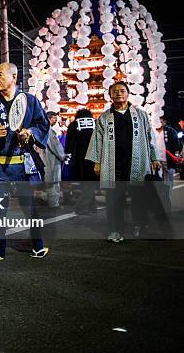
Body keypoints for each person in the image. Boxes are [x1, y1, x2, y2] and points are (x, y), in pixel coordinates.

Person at [0, 62, 50, 262]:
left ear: (14, 77)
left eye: (0, 75)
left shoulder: (30, 101)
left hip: (22, 163)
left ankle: (38, 244)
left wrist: (30, 133)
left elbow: (42, 124)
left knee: (29, 206)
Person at [86, 81, 162, 242]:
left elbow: (150, 138)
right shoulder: (105, 117)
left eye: (122, 91)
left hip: (137, 162)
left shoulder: (141, 115)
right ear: (110, 96)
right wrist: (97, 162)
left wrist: (155, 157)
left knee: (139, 198)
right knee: (114, 199)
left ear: (128, 94)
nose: (119, 94)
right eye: (115, 92)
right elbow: (97, 140)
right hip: (113, 165)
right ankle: (115, 229)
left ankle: (140, 225)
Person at [64, 108, 98, 214]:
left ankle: (91, 205)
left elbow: (68, 142)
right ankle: (82, 207)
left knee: (86, 183)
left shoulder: (73, 125)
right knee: (90, 183)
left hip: (78, 158)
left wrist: (68, 153)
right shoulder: (95, 123)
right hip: (94, 157)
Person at [42, 111, 68, 208]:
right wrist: (63, 155)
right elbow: (55, 146)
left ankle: (47, 200)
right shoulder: (49, 131)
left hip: (44, 158)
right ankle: (54, 203)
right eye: (54, 118)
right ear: (49, 118)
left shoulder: (41, 129)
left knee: (48, 182)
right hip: (51, 159)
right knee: (54, 182)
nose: (56, 120)